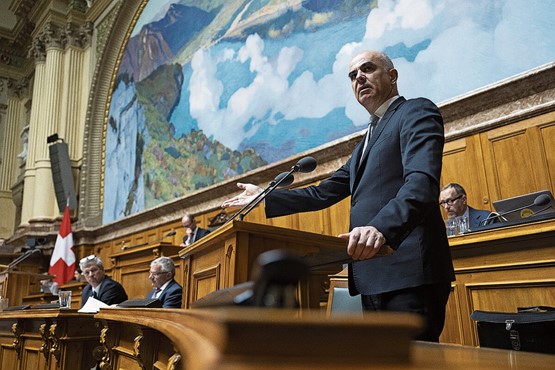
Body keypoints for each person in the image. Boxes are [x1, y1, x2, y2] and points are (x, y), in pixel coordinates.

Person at [222, 50, 455, 342]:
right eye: (353, 75)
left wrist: (381, 228)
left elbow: (421, 183)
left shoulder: (416, 112)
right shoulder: (366, 141)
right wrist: (265, 197)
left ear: (392, 76)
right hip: (372, 275)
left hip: (409, 273)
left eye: (367, 69)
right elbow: (325, 192)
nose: (359, 77)